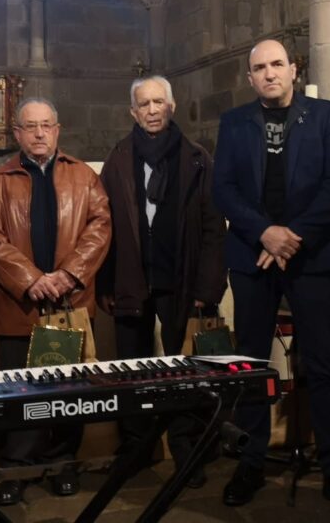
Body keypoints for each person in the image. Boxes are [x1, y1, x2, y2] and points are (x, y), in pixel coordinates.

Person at [212, 39, 330, 518]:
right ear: (250, 77)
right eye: (260, 67)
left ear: (294, 70)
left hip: (311, 255)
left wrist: (292, 236)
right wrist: (265, 233)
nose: (270, 73)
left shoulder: (328, 115)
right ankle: (251, 461)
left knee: (323, 362)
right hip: (253, 256)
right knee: (251, 363)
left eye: (277, 64)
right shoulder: (234, 122)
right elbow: (224, 189)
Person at [0, 98, 112, 507]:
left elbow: (100, 226)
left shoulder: (84, 176)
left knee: (69, 392)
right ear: (17, 133)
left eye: (46, 125)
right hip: (20, 306)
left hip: (70, 304)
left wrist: (69, 275)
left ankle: (63, 462)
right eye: (30, 126)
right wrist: (31, 280)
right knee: (19, 392)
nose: (39, 133)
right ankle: (16, 468)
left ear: (57, 130)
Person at [98, 75, 227, 487]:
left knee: (185, 369)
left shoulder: (197, 159)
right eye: (144, 104)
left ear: (171, 107)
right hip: (132, 279)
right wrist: (106, 282)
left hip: (181, 280)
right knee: (132, 370)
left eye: (158, 102)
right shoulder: (119, 159)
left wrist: (208, 288)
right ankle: (137, 446)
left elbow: (214, 228)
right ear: (132, 112)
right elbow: (104, 226)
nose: (152, 110)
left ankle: (188, 446)